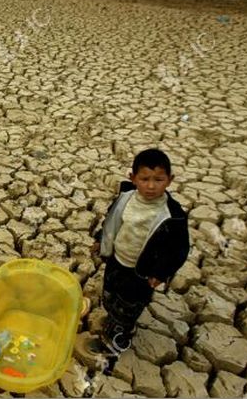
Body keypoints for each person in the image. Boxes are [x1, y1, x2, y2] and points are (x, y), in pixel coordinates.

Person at [91, 148, 189, 353]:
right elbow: (112, 222)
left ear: (170, 180)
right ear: (133, 178)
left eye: (158, 179)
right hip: (117, 261)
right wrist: (101, 240)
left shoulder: (172, 216)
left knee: (128, 307)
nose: (151, 186)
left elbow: (178, 250)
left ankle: (115, 343)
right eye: (144, 179)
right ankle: (114, 320)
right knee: (110, 295)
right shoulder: (125, 198)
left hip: (142, 273)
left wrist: (161, 273)